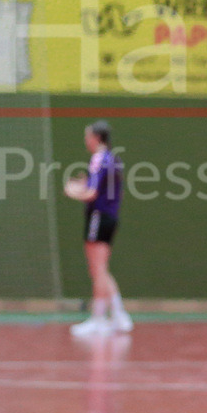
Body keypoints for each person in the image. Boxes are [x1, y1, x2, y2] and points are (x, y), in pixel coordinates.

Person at [64, 120, 133, 336]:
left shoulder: (98, 159)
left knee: (97, 268)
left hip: (98, 216)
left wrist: (72, 191)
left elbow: (92, 193)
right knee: (101, 269)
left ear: (96, 138)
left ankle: (98, 318)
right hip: (110, 217)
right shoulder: (113, 159)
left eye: (88, 136)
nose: (86, 140)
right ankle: (119, 315)